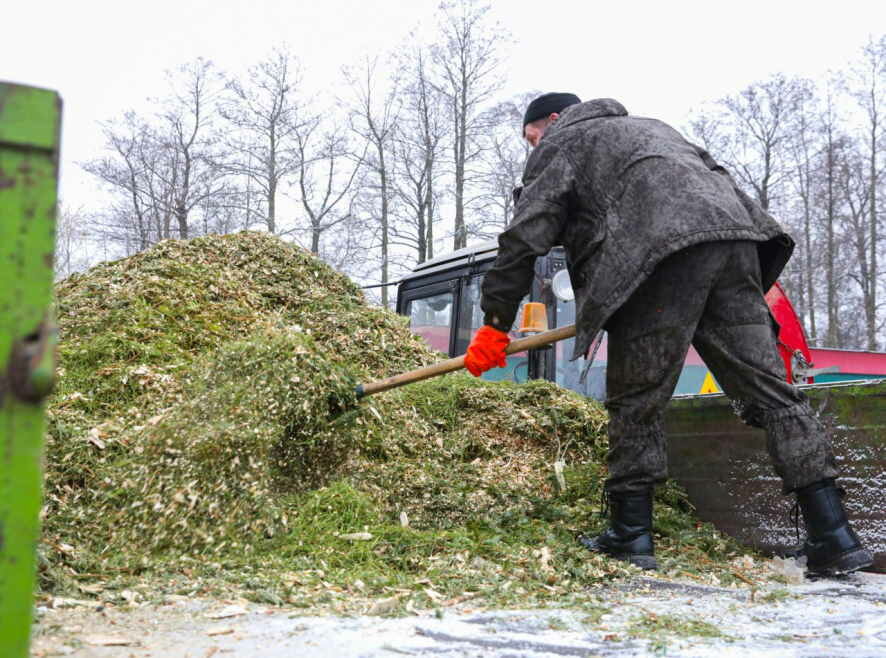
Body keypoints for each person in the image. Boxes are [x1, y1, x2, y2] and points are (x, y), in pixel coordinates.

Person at [463, 92, 873, 576]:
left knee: (637, 402)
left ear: (552, 120)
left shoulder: (565, 140)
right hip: (735, 244)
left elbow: (524, 236)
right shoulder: (654, 130)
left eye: (531, 138)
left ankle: (630, 535)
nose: (533, 149)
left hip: (657, 257)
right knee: (775, 396)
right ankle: (836, 537)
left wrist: (493, 324)